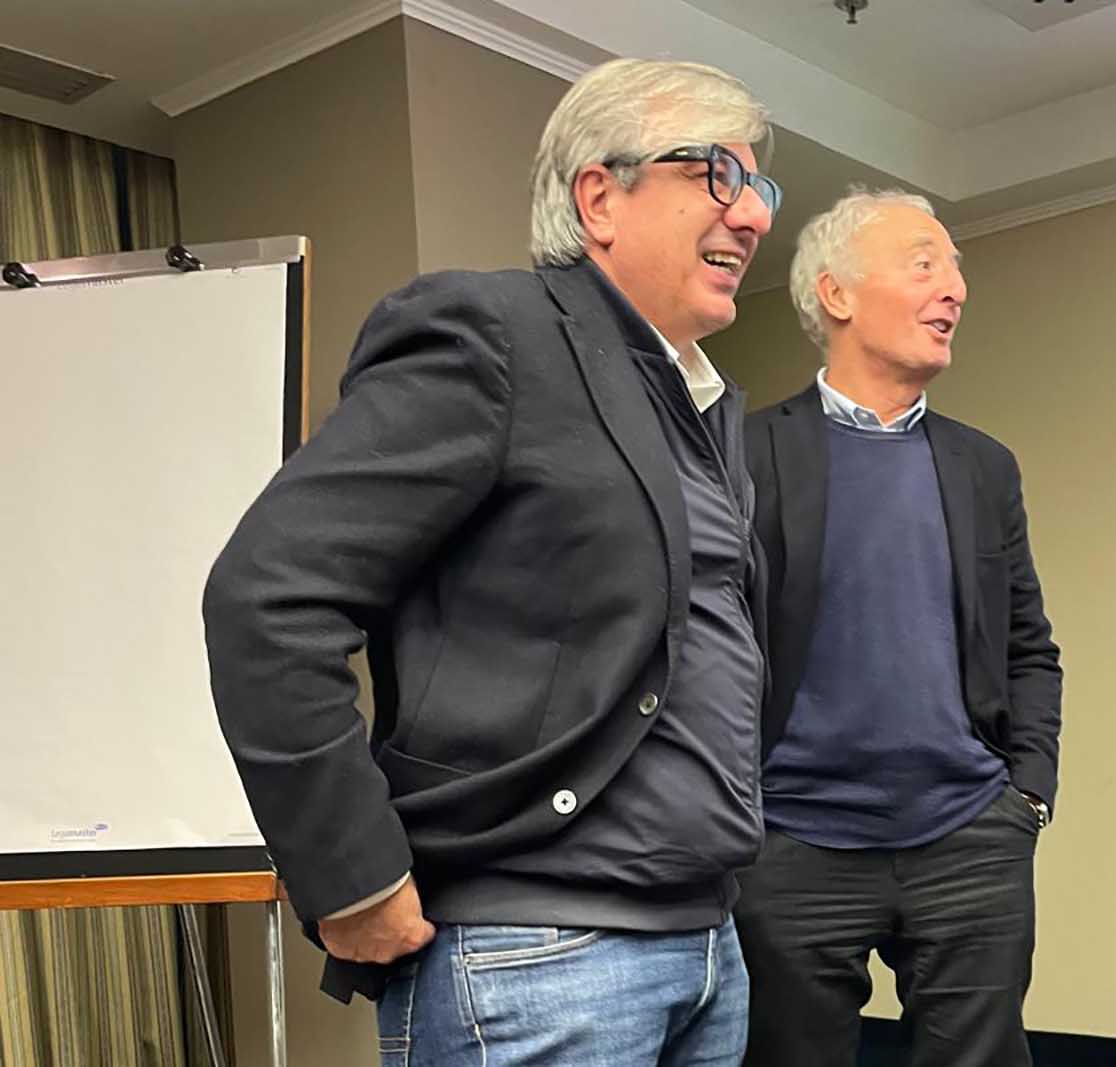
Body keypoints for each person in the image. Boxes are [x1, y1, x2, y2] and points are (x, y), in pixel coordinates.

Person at [202, 57, 780, 1066]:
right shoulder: (495, 334)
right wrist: (352, 874)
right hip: (538, 960)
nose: (755, 213)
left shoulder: (701, 403)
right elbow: (268, 597)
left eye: (760, 185)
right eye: (716, 175)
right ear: (599, 197)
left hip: (705, 948)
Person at [737, 188, 1062, 1067]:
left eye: (955, 268)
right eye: (925, 264)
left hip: (971, 838)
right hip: (791, 843)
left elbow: (1028, 645)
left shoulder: (984, 466)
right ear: (837, 293)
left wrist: (1026, 795)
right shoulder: (744, 455)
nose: (955, 288)